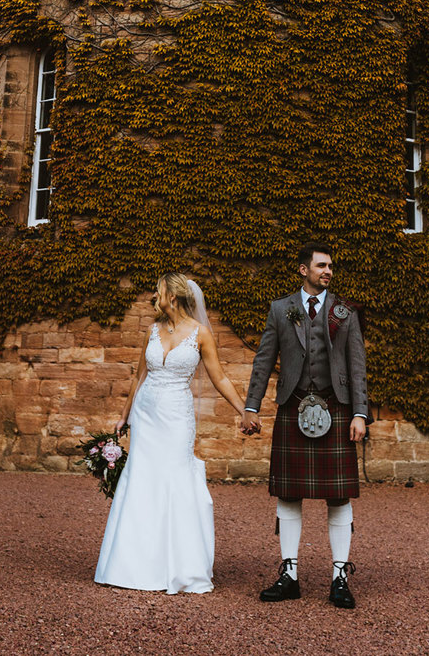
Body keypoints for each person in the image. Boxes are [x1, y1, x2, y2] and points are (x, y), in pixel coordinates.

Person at [94, 272, 249, 594]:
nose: (154, 297)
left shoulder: (201, 334)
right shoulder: (152, 330)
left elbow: (219, 378)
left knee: (175, 480)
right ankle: (132, 564)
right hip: (146, 415)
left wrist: (244, 410)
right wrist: (124, 417)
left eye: (158, 291)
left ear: (173, 297)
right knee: (142, 481)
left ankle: (180, 565)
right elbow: (139, 377)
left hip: (177, 417)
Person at [243, 243, 368, 610]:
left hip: (337, 407)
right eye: (321, 265)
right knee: (288, 494)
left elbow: (357, 364)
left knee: (339, 495)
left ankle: (340, 577)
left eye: (331, 266)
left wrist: (360, 413)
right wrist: (251, 406)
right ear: (303, 270)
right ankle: (290, 575)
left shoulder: (345, 311)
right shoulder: (281, 309)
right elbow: (264, 359)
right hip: (293, 407)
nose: (328, 271)